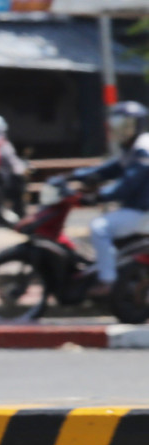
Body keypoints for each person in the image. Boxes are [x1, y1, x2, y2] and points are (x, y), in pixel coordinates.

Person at [74, 101, 149, 298]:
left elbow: (127, 185)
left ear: (136, 125)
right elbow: (110, 169)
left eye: (124, 124)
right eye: (117, 123)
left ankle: (107, 280)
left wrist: (98, 196)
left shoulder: (143, 149)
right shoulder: (132, 147)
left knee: (99, 228)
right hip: (135, 209)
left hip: (142, 212)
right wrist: (75, 175)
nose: (119, 128)